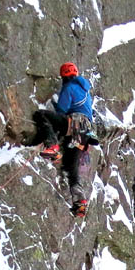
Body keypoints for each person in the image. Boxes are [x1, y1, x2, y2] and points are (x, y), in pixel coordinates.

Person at [31, 62, 98, 218]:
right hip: (84, 132)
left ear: (64, 77)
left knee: (41, 115)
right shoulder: (86, 90)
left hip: (74, 123)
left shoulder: (69, 88)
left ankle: (52, 145)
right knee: (70, 167)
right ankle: (79, 201)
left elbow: (61, 109)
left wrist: (54, 104)